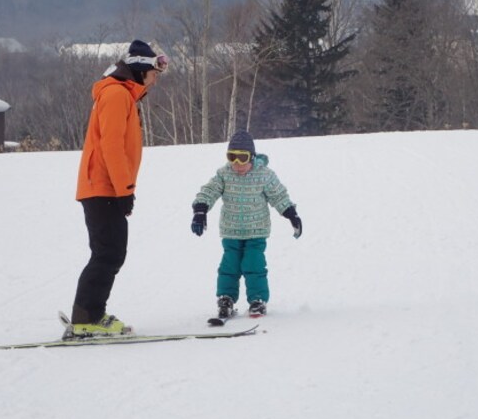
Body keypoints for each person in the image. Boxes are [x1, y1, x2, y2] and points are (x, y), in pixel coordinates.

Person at [64, 39, 168, 339]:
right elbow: (111, 144)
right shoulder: (115, 95)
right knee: (108, 253)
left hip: (106, 187)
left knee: (110, 252)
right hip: (103, 188)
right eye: (154, 72)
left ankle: (90, 314)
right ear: (139, 70)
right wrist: (124, 190)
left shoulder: (123, 94)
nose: (156, 79)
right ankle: (87, 317)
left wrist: (123, 189)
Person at [190, 130, 302, 319]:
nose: (237, 164)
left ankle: (257, 300)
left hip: (256, 231)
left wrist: (291, 214)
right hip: (231, 231)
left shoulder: (264, 175)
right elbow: (209, 191)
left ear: (251, 156)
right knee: (229, 266)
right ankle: (226, 298)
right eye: (232, 157)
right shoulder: (224, 174)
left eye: (242, 158)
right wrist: (200, 211)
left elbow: (278, 195)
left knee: (254, 264)